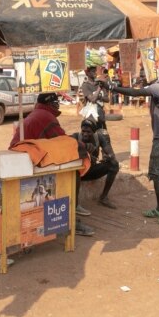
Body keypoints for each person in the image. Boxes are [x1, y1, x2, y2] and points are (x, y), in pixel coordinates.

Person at [10, 92, 96, 236]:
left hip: (24, 155)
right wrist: (83, 146)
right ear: (50, 104)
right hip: (27, 158)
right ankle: (71, 218)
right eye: (56, 102)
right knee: (73, 173)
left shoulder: (37, 113)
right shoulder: (46, 116)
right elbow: (62, 140)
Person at [110, 75, 159, 224]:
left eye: (142, 81)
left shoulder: (157, 88)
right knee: (154, 173)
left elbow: (135, 93)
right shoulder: (158, 89)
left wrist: (112, 87)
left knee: (157, 173)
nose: (141, 85)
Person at [71, 119, 119, 209]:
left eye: (88, 132)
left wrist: (107, 157)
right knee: (74, 171)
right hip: (78, 173)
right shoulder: (75, 137)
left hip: (91, 170)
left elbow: (111, 153)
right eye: (83, 131)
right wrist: (86, 155)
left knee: (114, 165)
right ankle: (75, 205)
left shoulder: (99, 137)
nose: (85, 134)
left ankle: (103, 197)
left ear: (93, 132)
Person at [80, 66, 109, 132]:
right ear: (87, 73)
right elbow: (92, 100)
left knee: (104, 137)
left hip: (101, 115)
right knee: (92, 137)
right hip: (91, 117)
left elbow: (107, 99)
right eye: (93, 71)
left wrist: (100, 97)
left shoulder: (100, 83)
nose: (95, 73)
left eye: (95, 71)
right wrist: (99, 88)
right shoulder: (85, 85)